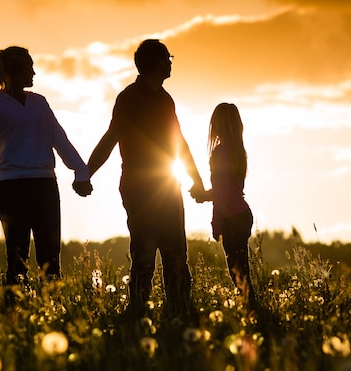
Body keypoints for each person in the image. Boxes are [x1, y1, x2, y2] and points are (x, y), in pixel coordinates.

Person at [0, 46, 92, 291]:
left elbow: (60, 141)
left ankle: (51, 312)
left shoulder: (40, 103)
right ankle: (14, 314)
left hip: (45, 186)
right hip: (12, 189)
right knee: (17, 258)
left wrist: (81, 172)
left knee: (50, 258)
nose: (34, 72)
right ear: (17, 70)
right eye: (29, 66)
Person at [88, 39, 205, 320]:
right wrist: (86, 173)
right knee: (144, 253)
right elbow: (111, 138)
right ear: (156, 63)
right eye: (168, 58)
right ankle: (138, 312)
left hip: (167, 185)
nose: (170, 63)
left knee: (176, 253)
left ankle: (180, 312)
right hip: (139, 189)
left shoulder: (166, 99)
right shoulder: (128, 99)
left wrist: (196, 181)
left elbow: (179, 143)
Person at [192, 103, 255, 305]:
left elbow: (222, 193)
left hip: (231, 218)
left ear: (217, 125)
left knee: (238, 274)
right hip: (242, 214)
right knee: (242, 271)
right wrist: (206, 195)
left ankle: (252, 311)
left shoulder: (219, 152)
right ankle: (253, 311)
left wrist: (216, 222)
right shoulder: (239, 151)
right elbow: (229, 190)